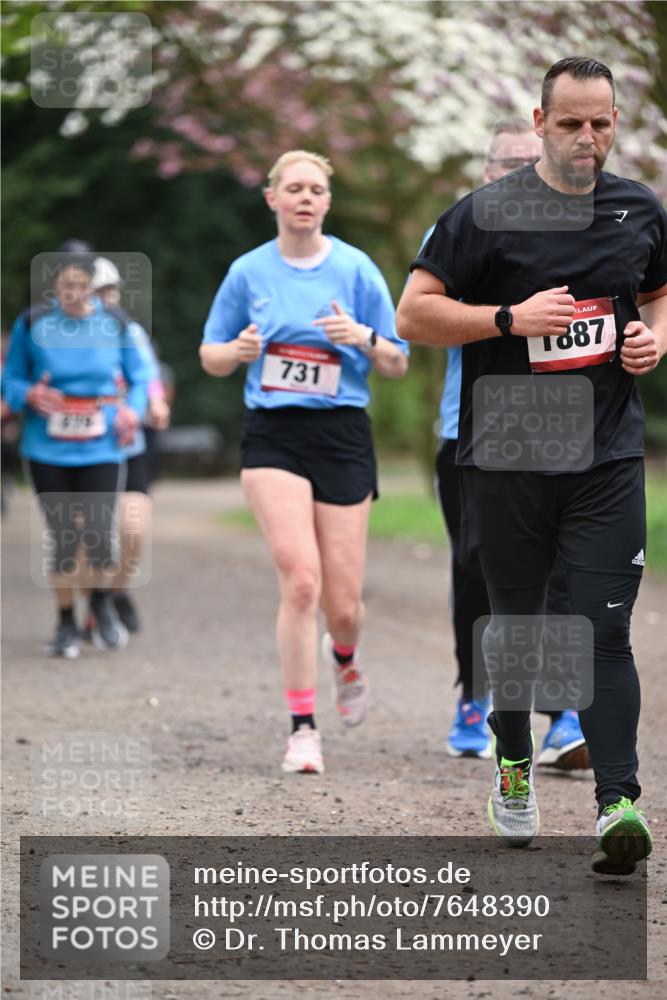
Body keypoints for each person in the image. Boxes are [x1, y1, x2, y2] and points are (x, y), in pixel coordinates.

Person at [398, 57, 666, 874]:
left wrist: (652, 339)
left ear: (614, 122)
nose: (587, 137)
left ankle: (616, 801)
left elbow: (657, 295)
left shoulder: (638, 208)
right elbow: (415, 313)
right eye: (570, 123)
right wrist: (508, 317)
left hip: (605, 456)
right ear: (540, 121)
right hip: (508, 454)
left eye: (601, 122)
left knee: (601, 628)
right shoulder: (483, 216)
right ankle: (511, 762)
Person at [200, 150, 408, 774]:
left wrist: (365, 340)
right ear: (272, 198)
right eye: (294, 187)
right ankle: (301, 729)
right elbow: (209, 354)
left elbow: (398, 359)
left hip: (343, 433)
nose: (305, 198)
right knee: (301, 580)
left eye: (316, 189)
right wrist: (235, 350)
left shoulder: (355, 268)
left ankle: (343, 654)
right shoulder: (247, 272)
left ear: (326, 202)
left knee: (342, 604)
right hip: (274, 435)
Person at [434, 119, 589, 770]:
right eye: (509, 164)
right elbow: (421, 320)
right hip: (468, 433)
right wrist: (504, 317)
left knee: (557, 572)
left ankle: (559, 717)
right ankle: (475, 698)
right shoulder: (458, 230)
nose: (523, 173)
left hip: (556, 431)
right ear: (485, 172)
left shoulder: (583, 236)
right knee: (477, 569)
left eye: (534, 161)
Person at [2, 247, 151, 657]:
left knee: (101, 537)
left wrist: (131, 413)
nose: (73, 292)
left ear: (93, 287)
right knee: (64, 537)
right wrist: (29, 393)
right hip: (46, 447)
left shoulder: (115, 324)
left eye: (81, 285)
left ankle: (101, 601)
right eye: (66, 284)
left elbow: (140, 379)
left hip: (101, 446)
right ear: (55, 285)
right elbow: (10, 378)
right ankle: (66, 620)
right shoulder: (32, 323)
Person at [84, 256, 171, 635]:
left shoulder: (129, 331)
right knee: (89, 531)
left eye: (109, 291)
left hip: (128, 442)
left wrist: (155, 402)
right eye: (97, 292)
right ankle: (92, 604)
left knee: (132, 529)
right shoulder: (61, 335)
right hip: (82, 448)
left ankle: (114, 591)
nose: (106, 299)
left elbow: (148, 374)